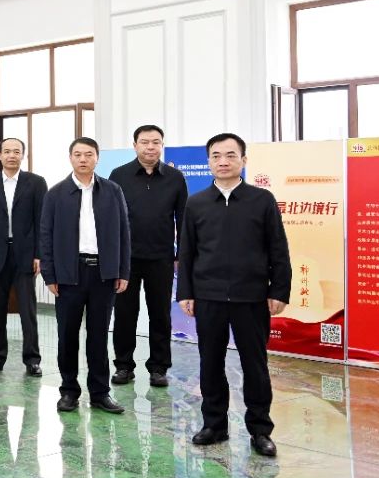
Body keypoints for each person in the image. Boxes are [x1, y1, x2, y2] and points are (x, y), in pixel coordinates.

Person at [178, 133, 290, 458]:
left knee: (254, 364)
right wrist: (186, 292)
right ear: (209, 162)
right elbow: (187, 252)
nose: (223, 161)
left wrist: (279, 290)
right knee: (210, 363)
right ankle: (214, 425)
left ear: (243, 159)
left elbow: (278, 249)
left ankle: (260, 430)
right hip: (208, 296)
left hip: (251, 297)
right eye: (216, 156)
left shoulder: (262, 200)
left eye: (230, 155)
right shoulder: (196, 203)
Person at [39, 137, 131, 415]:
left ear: (97, 158)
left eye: (88, 154)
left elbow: (124, 232)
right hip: (69, 274)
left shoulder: (113, 191)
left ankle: (100, 392)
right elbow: (46, 236)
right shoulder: (56, 193)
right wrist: (49, 274)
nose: (83, 159)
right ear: (70, 158)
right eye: (78, 154)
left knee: (99, 336)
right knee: (67, 335)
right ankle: (69, 391)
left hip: (104, 274)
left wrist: (122, 271)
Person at [109, 125, 188, 388]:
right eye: (145, 142)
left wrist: (181, 255)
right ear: (135, 146)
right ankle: (123, 366)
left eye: (156, 142)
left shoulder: (175, 177)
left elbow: (183, 218)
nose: (150, 147)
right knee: (124, 314)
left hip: (161, 257)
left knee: (160, 314)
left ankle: (158, 368)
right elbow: (110, 218)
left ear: (162, 145)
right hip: (126, 259)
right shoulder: (119, 175)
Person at [0, 137, 48, 377]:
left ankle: (32, 359)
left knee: (28, 310)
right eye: (7, 151)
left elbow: (42, 220)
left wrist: (40, 254)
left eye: (16, 151)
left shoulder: (36, 182)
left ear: (23, 155)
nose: (11, 155)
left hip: (25, 254)